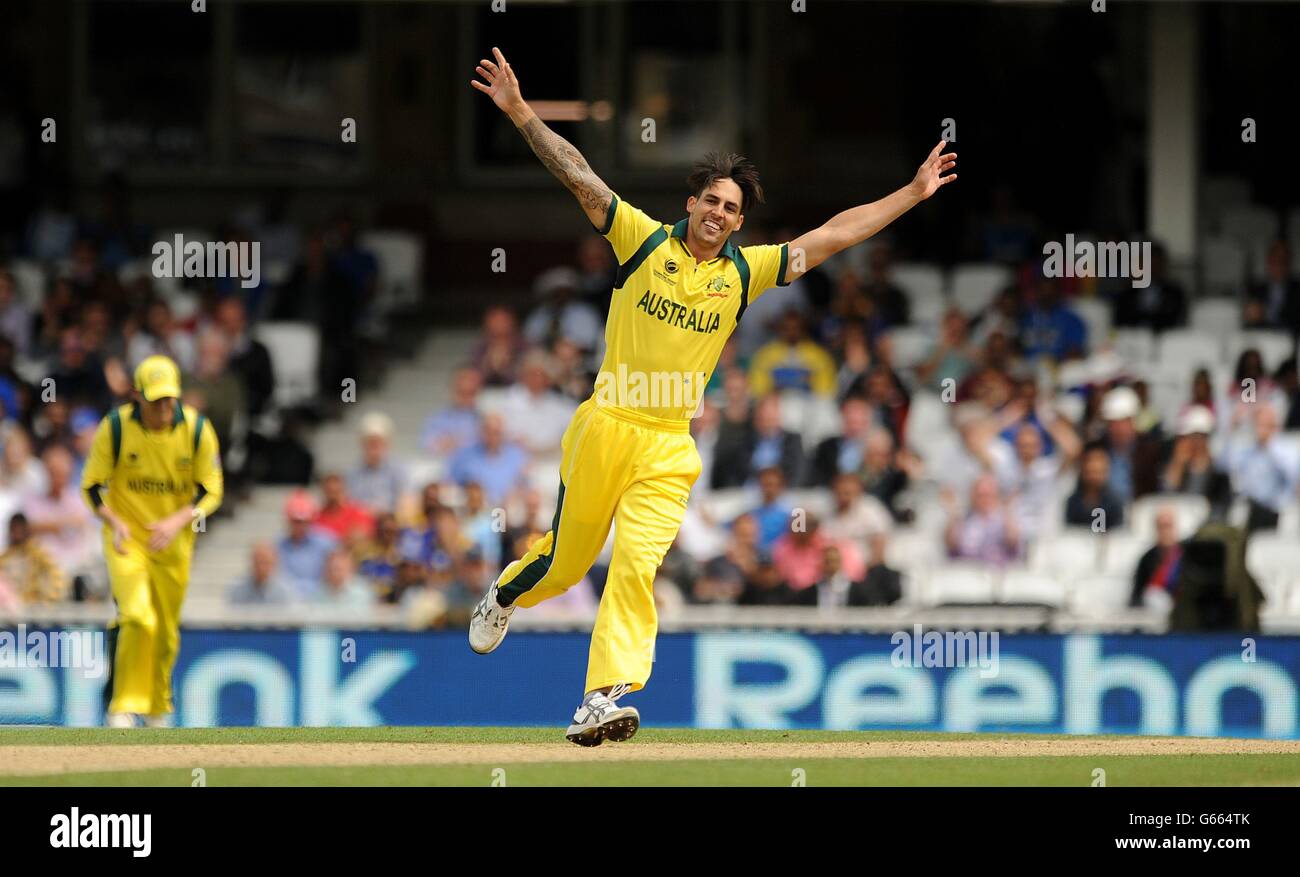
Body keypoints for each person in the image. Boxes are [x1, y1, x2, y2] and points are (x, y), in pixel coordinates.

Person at [467, 46, 956, 746]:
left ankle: (600, 696)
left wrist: (911, 192)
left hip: (669, 444)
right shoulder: (641, 241)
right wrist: (520, 112)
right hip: (607, 423)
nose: (720, 215)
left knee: (636, 565)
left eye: (733, 209)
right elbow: (580, 175)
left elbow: (832, 236)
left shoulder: (746, 273)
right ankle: (505, 593)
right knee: (566, 563)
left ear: (738, 222)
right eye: (712, 202)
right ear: (690, 204)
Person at [80, 355, 223, 728]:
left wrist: (178, 520)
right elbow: (92, 487)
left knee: (165, 630)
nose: (164, 407)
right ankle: (122, 706)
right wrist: (114, 521)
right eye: (156, 399)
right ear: (137, 396)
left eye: (169, 399)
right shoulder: (115, 428)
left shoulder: (196, 430)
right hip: (126, 539)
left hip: (173, 544)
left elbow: (212, 491)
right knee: (137, 617)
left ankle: (157, 707)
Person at [227, 542, 296, 605]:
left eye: (265, 562)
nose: (261, 567)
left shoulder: (286, 591)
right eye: (257, 562)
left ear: (274, 564)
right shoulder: (238, 590)